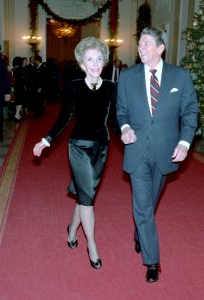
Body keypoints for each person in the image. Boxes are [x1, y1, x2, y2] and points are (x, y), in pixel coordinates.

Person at [116, 27, 198, 283]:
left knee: (149, 204)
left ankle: (140, 232)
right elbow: (121, 111)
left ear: (160, 48)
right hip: (137, 150)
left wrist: (185, 143)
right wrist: (126, 128)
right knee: (142, 206)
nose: (141, 47)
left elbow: (190, 112)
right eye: (139, 43)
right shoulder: (127, 77)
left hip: (166, 152)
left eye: (147, 43)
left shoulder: (180, 76)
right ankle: (152, 261)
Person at [33, 37, 117, 270]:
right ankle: (92, 246)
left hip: (101, 148)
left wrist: (130, 135)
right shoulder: (73, 86)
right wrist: (45, 140)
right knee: (88, 199)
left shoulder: (111, 88)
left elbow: (115, 121)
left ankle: (72, 230)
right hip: (79, 147)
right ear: (81, 63)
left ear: (104, 61)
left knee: (84, 195)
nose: (95, 63)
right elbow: (64, 118)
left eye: (99, 59)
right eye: (90, 59)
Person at [12, 56, 28, 122]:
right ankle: (16, 114)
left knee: (17, 101)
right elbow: (23, 79)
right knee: (21, 101)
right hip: (21, 86)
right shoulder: (20, 69)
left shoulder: (14, 69)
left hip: (16, 86)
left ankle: (18, 114)